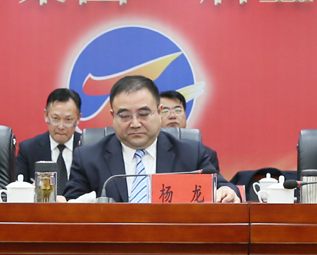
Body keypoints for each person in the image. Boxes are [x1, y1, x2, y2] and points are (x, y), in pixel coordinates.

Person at [64, 75, 241, 202]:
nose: (135, 124)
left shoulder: (190, 154)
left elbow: (224, 187)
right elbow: (70, 207)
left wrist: (226, 191)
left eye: (143, 114)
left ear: (159, 111)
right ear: (113, 115)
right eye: (124, 116)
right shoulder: (88, 158)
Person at [15, 88, 83, 192]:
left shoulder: (89, 149)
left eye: (68, 120)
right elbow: (19, 191)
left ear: (78, 119)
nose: (61, 126)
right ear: (46, 116)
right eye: (55, 118)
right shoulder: (28, 150)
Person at [159, 89, 221, 172]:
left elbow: (213, 179)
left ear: (185, 114)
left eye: (178, 110)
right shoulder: (150, 151)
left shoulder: (207, 154)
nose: (172, 116)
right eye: (165, 111)